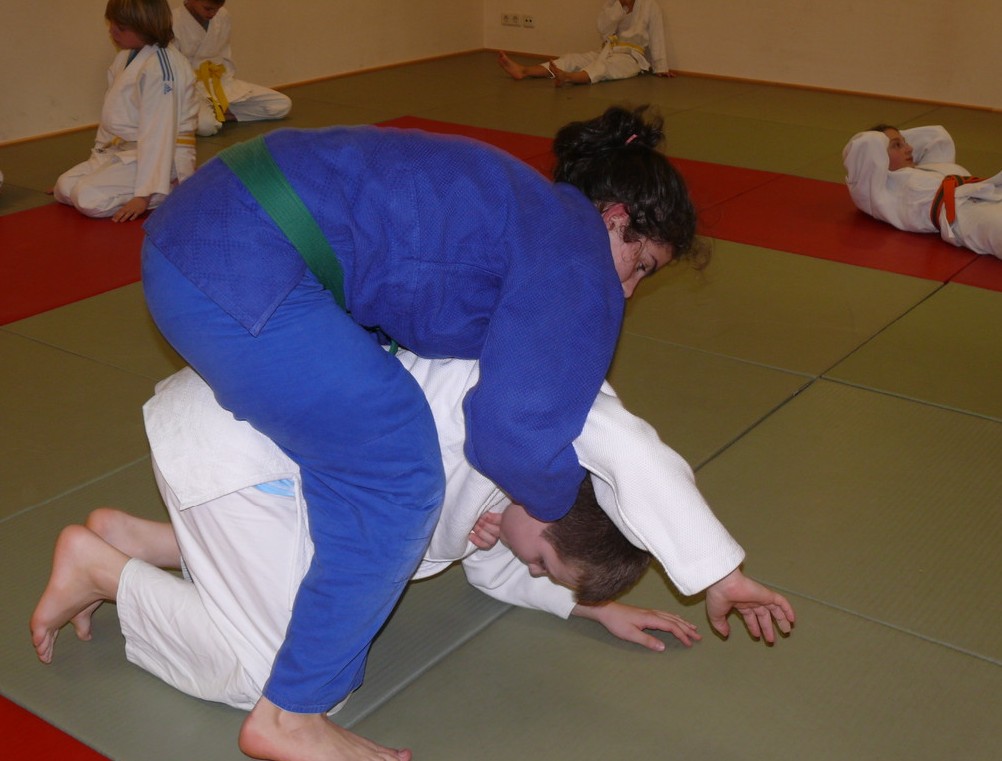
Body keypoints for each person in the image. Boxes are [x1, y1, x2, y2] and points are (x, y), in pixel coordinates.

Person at [139, 105, 703, 761]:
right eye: (641, 265)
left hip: (213, 227)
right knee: (398, 476)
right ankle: (289, 718)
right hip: (238, 254)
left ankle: (143, 545)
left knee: (368, 448)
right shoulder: (574, 250)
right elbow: (510, 435)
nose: (627, 292)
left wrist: (584, 596)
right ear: (615, 218)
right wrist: (559, 505)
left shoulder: (525, 221)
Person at [31, 355, 793, 717]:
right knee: (283, 681)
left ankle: (137, 537)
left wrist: (591, 604)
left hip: (250, 444)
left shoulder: (518, 480)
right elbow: (629, 448)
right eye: (542, 559)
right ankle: (102, 569)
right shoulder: (520, 413)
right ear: (553, 501)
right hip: (233, 453)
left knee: (321, 583)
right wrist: (716, 570)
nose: (527, 564)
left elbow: (495, 561)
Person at [53, 0, 197, 222]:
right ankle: (118, 185)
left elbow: (158, 133)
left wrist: (143, 195)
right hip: (125, 151)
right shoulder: (125, 56)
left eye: (120, 28)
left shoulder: (162, 67)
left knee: (86, 198)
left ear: (146, 28)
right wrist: (97, 156)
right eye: (111, 23)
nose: (112, 31)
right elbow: (111, 116)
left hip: (165, 156)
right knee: (64, 187)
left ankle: (167, 189)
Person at [843, 124, 1002, 258]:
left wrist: (896, 138)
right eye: (897, 145)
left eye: (905, 142)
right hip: (966, 217)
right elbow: (867, 144)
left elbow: (937, 136)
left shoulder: (931, 166)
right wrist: (882, 138)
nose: (909, 148)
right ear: (877, 155)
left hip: (990, 194)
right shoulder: (882, 191)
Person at [172, 0, 292, 137]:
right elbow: (173, 67)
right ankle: (208, 113)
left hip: (219, 83)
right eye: (208, 8)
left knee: (281, 104)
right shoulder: (173, 21)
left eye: (217, 9)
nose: (213, 13)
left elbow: (224, 54)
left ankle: (220, 112)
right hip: (190, 87)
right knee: (206, 127)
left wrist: (228, 82)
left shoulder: (223, 16)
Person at [498, 0, 673, 86]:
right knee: (572, 59)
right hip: (608, 49)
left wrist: (661, 67)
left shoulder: (650, 5)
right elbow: (603, 29)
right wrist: (620, 7)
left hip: (631, 58)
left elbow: (657, 36)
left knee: (604, 68)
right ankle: (524, 71)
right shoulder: (613, 4)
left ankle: (568, 77)